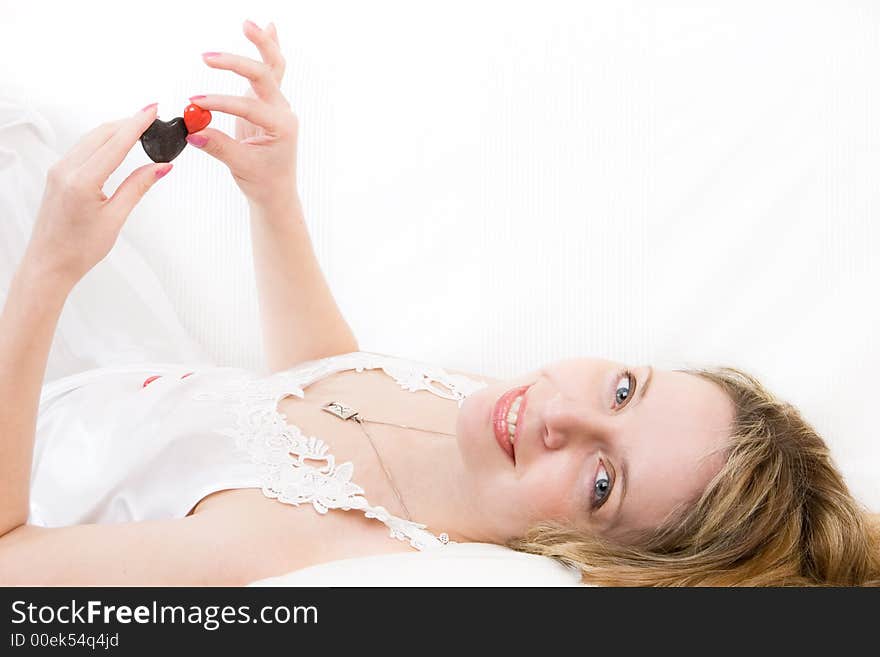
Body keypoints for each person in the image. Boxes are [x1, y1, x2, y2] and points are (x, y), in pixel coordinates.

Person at [1, 20, 878, 587]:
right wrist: (275, 195)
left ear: (592, 556)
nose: (559, 413)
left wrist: (47, 273)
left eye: (600, 479)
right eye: (621, 388)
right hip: (111, 365)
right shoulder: (484, 416)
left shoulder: (292, 548)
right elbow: (327, 379)